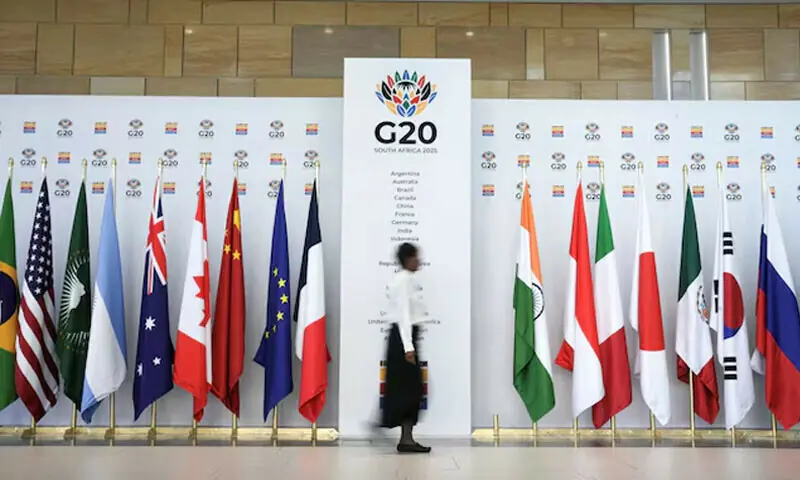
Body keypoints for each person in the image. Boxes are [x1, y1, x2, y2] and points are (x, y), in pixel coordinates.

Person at [379, 242, 431, 453]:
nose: (418, 260)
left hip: (404, 338)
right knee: (409, 390)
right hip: (403, 340)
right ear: (408, 259)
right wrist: (408, 347)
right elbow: (404, 315)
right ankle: (405, 438)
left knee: (408, 389)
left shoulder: (406, 279)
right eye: (415, 256)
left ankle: (405, 438)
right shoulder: (404, 281)